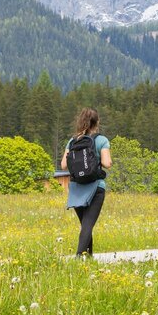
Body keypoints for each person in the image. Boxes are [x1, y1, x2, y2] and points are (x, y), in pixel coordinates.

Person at [61, 107, 112, 257]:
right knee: (87, 225)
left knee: (85, 225)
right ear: (97, 123)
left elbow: (64, 165)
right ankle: (79, 257)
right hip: (95, 187)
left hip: (77, 188)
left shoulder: (72, 141)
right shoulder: (101, 140)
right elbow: (107, 163)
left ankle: (88, 258)